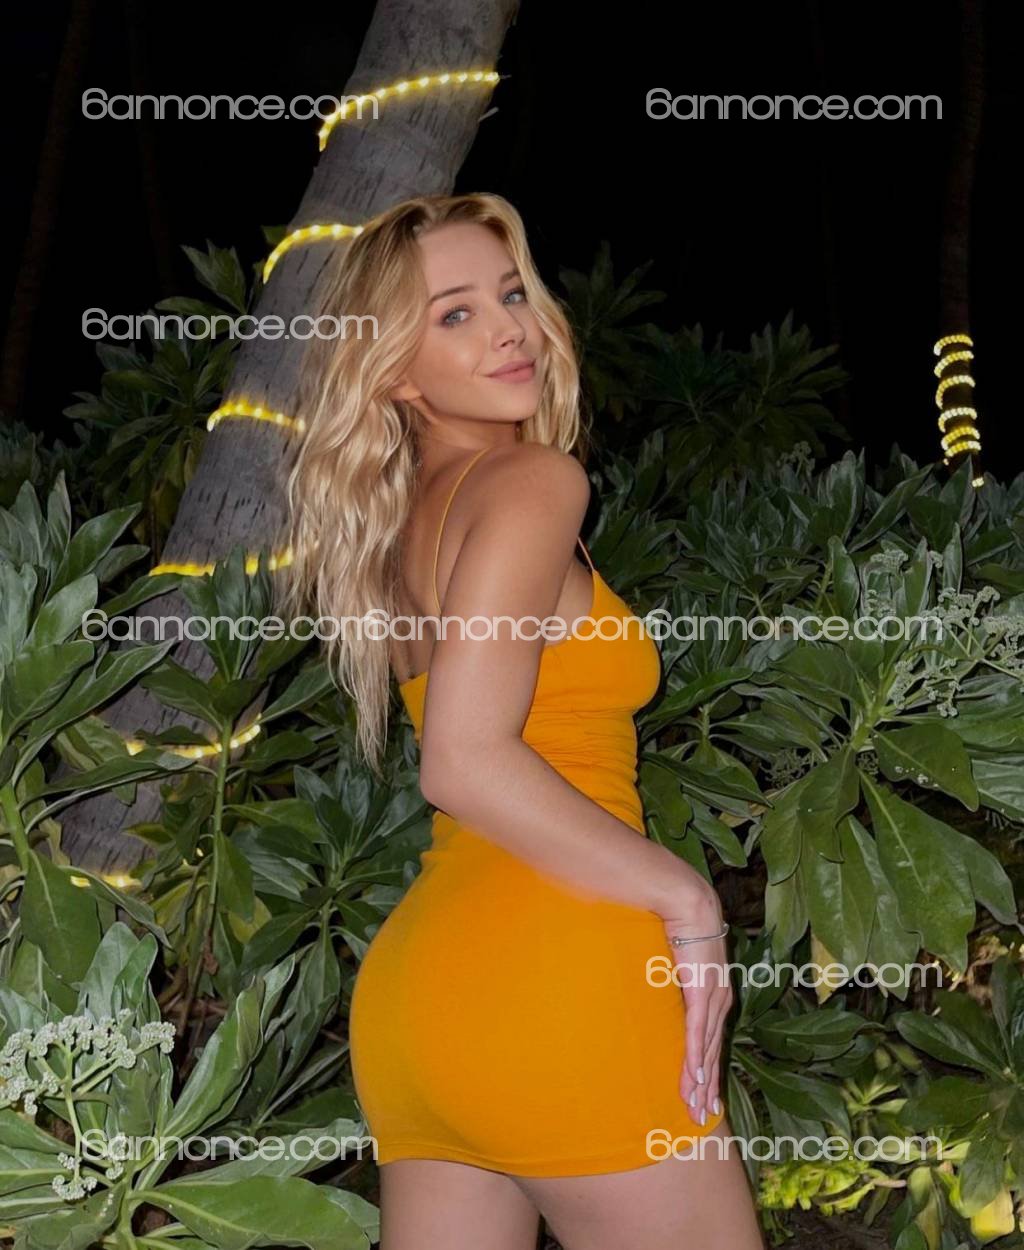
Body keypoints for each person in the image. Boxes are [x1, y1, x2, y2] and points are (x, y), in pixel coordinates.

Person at [281, 193, 764, 1249]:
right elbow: (461, 760)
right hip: (563, 979)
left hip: (420, 1011)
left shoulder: (397, 532)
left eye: (511, 295)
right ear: (394, 369)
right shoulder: (533, 482)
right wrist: (686, 899)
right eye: (454, 313)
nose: (509, 329)